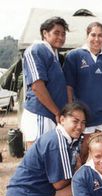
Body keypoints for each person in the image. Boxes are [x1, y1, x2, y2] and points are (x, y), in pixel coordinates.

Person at [2, 103, 87, 196]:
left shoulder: (67, 138)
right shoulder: (57, 141)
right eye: (75, 121)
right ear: (61, 120)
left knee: (82, 186)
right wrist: (81, 173)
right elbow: (59, 184)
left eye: (83, 123)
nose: (80, 126)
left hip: (42, 193)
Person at [63, 21, 102, 163]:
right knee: (82, 154)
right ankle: (79, 183)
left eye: (100, 35)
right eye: (93, 35)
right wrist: (71, 112)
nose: (96, 39)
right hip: (84, 117)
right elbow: (68, 86)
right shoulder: (74, 56)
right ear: (87, 36)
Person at [20, 16, 69, 148]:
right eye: (56, 33)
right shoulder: (36, 50)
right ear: (45, 33)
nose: (61, 37)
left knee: (48, 157)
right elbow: (37, 86)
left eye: (63, 34)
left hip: (51, 115)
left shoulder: (54, 55)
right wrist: (57, 112)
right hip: (40, 114)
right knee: (38, 158)